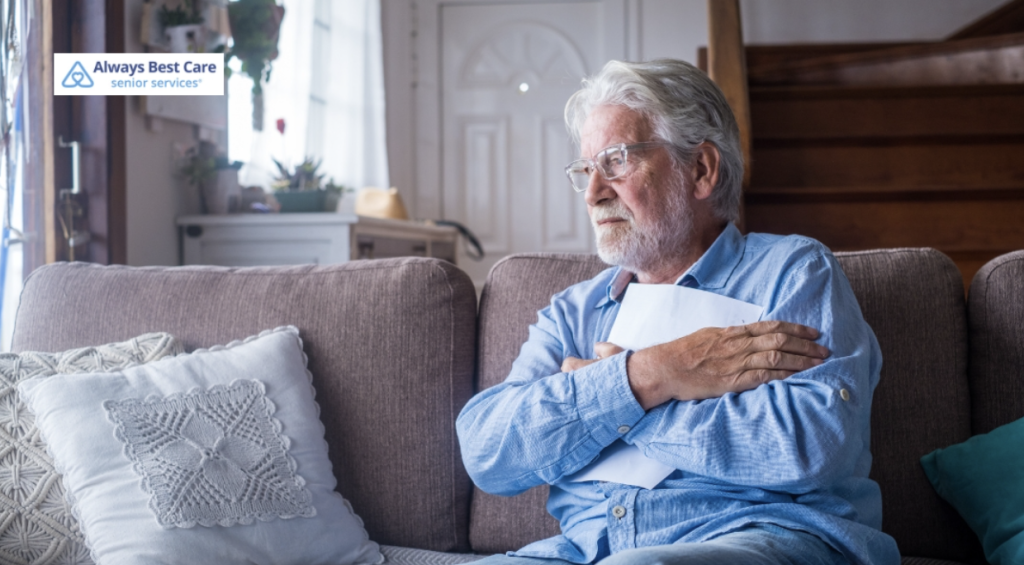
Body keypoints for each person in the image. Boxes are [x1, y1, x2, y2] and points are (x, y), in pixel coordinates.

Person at [455, 59, 901, 565]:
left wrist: (616, 401)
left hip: (759, 536)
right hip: (584, 551)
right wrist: (653, 373)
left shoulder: (793, 272)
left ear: (701, 169)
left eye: (617, 161)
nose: (595, 193)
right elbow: (487, 452)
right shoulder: (575, 311)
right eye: (586, 170)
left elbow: (813, 444)